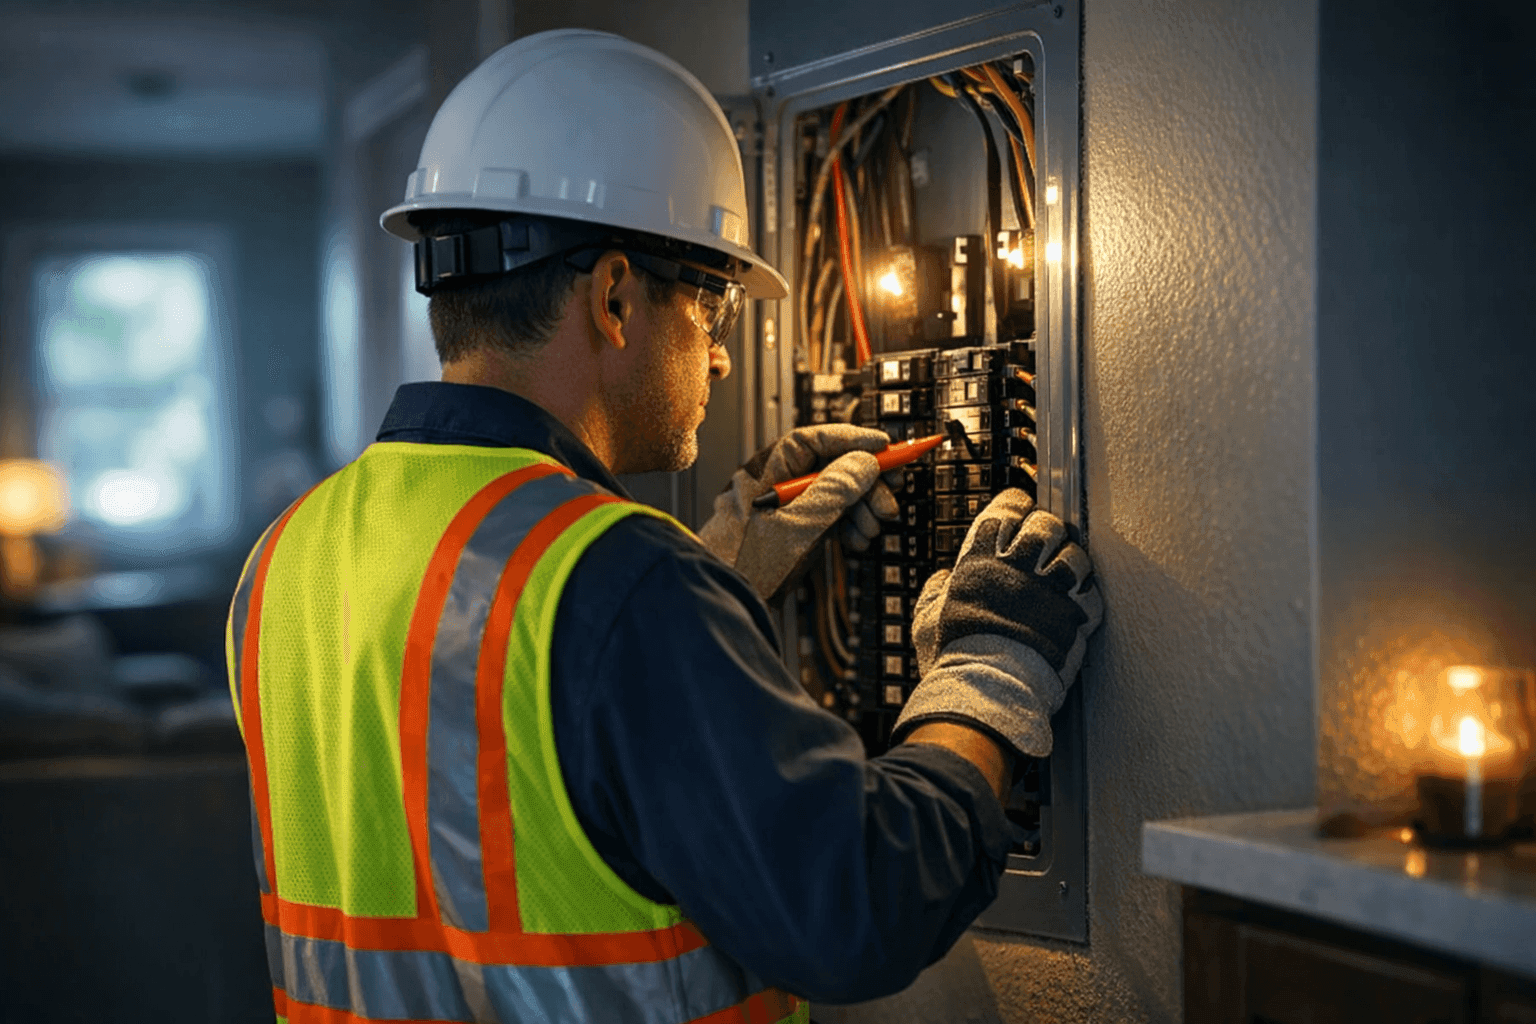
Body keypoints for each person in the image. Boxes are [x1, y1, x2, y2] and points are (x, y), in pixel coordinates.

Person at [225, 29, 1102, 1024]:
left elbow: (503, 768)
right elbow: (856, 908)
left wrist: (710, 577)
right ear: (614, 295)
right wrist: (987, 677)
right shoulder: (619, 584)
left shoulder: (284, 556)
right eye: (714, 312)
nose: (722, 361)